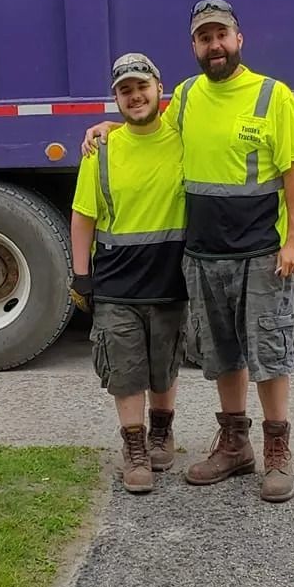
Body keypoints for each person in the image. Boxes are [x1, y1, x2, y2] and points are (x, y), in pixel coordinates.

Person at [82, 0, 294, 503]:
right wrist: (109, 130)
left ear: (238, 39)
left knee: (269, 353)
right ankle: (235, 445)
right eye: (204, 38)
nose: (214, 46)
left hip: (262, 253)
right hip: (205, 255)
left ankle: (276, 452)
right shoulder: (184, 97)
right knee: (223, 354)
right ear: (194, 47)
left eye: (221, 36)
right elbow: (151, 134)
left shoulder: (273, 96)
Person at [70, 52, 189, 494]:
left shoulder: (181, 136)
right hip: (118, 282)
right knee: (124, 368)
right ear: (115, 98)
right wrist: (81, 276)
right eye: (125, 90)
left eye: (142, 86)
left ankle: (163, 432)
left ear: (160, 89)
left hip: (169, 277)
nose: (135, 96)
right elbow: (83, 217)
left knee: (165, 363)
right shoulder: (99, 152)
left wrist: (112, 125)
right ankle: (135, 447)